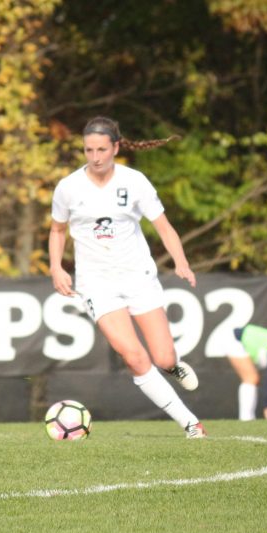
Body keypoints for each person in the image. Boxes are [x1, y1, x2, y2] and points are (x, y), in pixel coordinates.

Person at [48, 116, 206, 439]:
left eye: (102, 149)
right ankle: (191, 423)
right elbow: (57, 230)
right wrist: (55, 267)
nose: (95, 157)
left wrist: (181, 261)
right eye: (89, 150)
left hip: (138, 277)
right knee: (133, 356)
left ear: (116, 147)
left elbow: (163, 226)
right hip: (96, 283)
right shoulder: (68, 188)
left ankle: (172, 365)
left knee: (162, 357)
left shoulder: (135, 182)